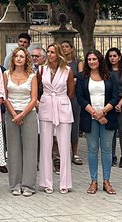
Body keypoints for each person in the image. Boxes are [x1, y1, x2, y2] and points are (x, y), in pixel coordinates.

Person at [77, 50, 120, 196]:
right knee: (92, 149)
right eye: (89, 59)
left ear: (100, 60)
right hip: (90, 118)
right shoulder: (83, 77)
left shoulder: (110, 76)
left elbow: (115, 97)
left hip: (107, 117)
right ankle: (93, 181)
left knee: (107, 149)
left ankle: (106, 181)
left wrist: (103, 112)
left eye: (94, 59)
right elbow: (80, 98)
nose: (91, 61)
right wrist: (95, 114)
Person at [37, 42, 74, 194]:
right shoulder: (41, 69)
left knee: (64, 146)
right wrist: (40, 102)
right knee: (45, 145)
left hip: (62, 105)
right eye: (49, 52)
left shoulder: (68, 70)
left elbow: (71, 92)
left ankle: (65, 182)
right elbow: (37, 88)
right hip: (46, 106)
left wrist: (61, 101)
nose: (50, 55)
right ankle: (47, 182)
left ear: (59, 54)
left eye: (53, 52)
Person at [2, 47, 38, 196]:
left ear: (26, 59)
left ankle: (28, 185)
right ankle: (15, 184)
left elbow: (34, 98)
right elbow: (4, 96)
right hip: (11, 113)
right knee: (13, 149)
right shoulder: (6, 74)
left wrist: (22, 115)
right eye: (16, 56)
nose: (18, 59)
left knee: (30, 149)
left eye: (22, 56)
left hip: (28, 113)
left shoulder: (32, 76)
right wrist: (13, 114)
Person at [59, 40, 84, 166]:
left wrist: (70, 80)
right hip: (61, 95)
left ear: (72, 48)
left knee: (74, 124)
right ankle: (61, 153)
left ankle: (74, 152)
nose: (64, 48)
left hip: (74, 97)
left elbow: (80, 77)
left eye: (66, 46)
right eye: (62, 47)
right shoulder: (59, 63)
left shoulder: (78, 62)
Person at [107, 47, 122, 168]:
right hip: (110, 102)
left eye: (114, 56)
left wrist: (120, 103)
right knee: (112, 131)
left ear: (119, 57)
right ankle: (112, 155)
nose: (112, 58)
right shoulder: (106, 72)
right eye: (110, 56)